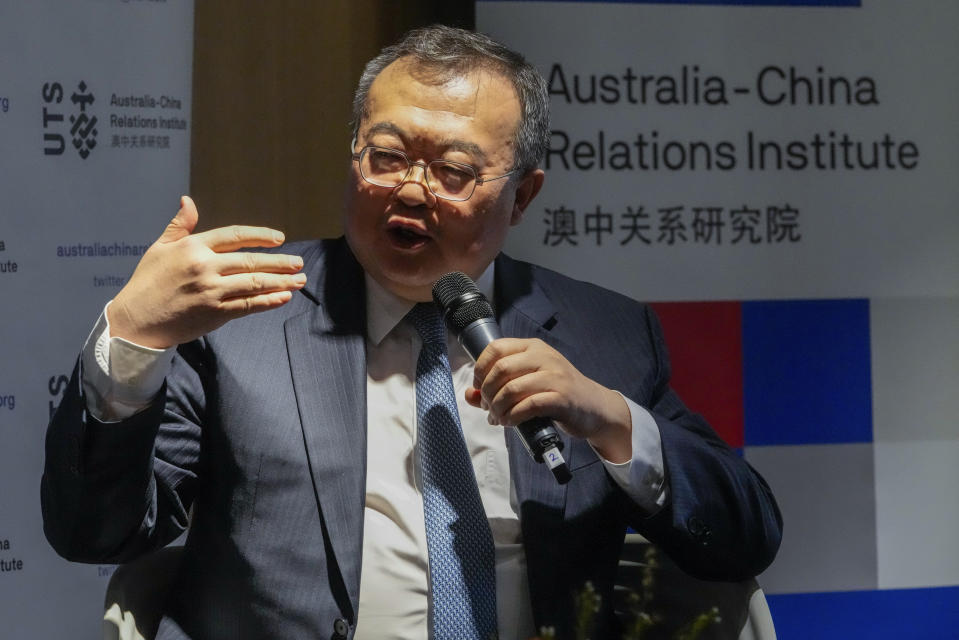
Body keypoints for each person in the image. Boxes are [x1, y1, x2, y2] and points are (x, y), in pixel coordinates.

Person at [42, 25, 781, 640]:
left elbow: (747, 537)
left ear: (521, 195)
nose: (409, 191)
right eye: (386, 156)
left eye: (454, 171)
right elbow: (95, 535)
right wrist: (132, 338)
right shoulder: (242, 320)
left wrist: (615, 421)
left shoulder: (602, 332)